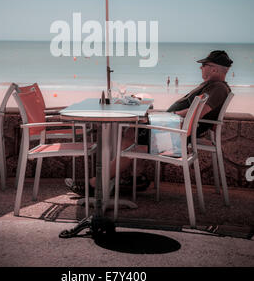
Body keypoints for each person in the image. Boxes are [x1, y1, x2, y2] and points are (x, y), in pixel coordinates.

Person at [65, 50, 233, 196]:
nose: (200, 67)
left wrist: (168, 116)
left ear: (214, 68)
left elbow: (194, 114)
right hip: (175, 129)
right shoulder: (214, 86)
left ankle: (96, 184)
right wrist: (161, 116)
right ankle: (137, 178)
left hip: (175, 135)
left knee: (129, 142)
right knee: (131, 132)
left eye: (204, 65)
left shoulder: (218, 88)